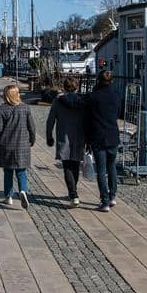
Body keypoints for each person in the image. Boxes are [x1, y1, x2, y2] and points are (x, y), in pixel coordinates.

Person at [46, 77, 87, 208]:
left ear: (64, 87)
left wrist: (49, 136)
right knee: (76, 165)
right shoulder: (83, 101)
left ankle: (73, 194)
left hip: (64, 136)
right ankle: (73, 192)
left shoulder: (58, 102)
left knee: (67, 166)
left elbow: (50, 120)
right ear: (77, 87)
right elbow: (89, 120)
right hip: (79, 136)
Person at [84, 70, 121, 212]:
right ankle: (112, 196)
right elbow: (118, 113)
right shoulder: (116, 95)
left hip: (98, 135)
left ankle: (104, 201)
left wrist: (87, 139)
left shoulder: (93, 97)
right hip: (113, 135)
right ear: (112, 81)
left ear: (98, 80)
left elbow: (87, 118)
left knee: (101, 169)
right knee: (112, 167)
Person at [0, 84, 35, 209]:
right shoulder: (25, 108)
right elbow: (31, 126)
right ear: (17, 95)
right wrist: (32, 139)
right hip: (22, 145)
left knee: (8, 172)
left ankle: (8, 197)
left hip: (6, 145)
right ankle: (23, 190)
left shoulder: (2, 109)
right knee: (21, 171)